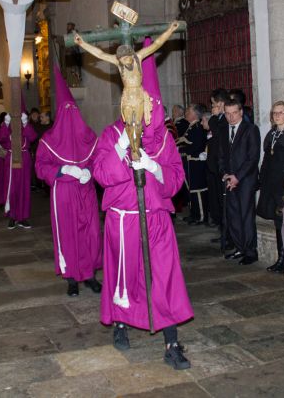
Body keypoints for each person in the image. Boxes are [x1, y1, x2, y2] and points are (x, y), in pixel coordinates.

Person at [92, 36, 193, 370]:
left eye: (148, 103)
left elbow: (177, 180)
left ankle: (172, 342)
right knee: (127, 274)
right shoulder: (110, 135)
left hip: (157, 220)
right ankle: (121, 323)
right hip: (123, 219)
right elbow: (101, 174)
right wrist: (123, 150)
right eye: (136, 102)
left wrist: (153, 168)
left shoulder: (164, 140)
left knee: (165, 277)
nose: (142, 109)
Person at [35, 64, 102, 297]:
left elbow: (99, 158)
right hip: (63, 192)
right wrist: (63, 170)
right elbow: (40, 166)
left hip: (86, 190)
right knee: (68, 234)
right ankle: (72, 277)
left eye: (74, 109)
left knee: (91, 232)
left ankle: (90, 274)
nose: (71, 115)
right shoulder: (48, 139)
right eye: (67, 111)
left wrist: (90, 172)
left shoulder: (88, 134)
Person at [257, 101, 284, 273]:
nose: (277, 116)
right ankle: (281, 258)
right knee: (277, 222)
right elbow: (268, 159)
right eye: (274, 113)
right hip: (271, 183)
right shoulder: (272, 133)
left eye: (281, 113)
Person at [219, 98, 261, 265]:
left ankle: (250, 251)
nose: (231, 117)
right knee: (233, 216)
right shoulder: (223, 130)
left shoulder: (250, 130)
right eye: (227, 114)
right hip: (229, 180)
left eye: (234, 113)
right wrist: (225, 174)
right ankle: (239, 248)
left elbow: (252, 158)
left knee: (246, 216)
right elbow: (221, 156)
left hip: (245, 181)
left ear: (241, 112)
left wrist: (237, 176)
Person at [0, 103, 37, 229]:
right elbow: (1, 138)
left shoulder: (25, 128)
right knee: (12, 188)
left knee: (24, 188)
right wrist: (6, 123)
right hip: (10, 161)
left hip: (24, 160)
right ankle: (12, 216)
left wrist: (26, 124)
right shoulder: (8, 128)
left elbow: (33, 137)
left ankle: (23, 217)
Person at [177, 104, 208, 225]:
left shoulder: (197, 127)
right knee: (192, 190)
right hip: (190, 162)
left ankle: (201, 216)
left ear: (195, 114)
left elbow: (196, 145)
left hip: (196, 162)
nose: (186, 113)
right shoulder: (191, 127)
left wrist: (180, 150)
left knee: (198, 190)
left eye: (188, 111)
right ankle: (194, 214)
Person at [207, 89, 229, 231]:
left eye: (214, 104)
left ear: (221, 103)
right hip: (215, 165)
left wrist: (215, 116)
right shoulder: (217, 119)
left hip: (222, 166)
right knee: (218, 201)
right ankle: (223, 232)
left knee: (224, 202)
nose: (212, 108)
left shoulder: (224, 119)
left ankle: (227, 234)